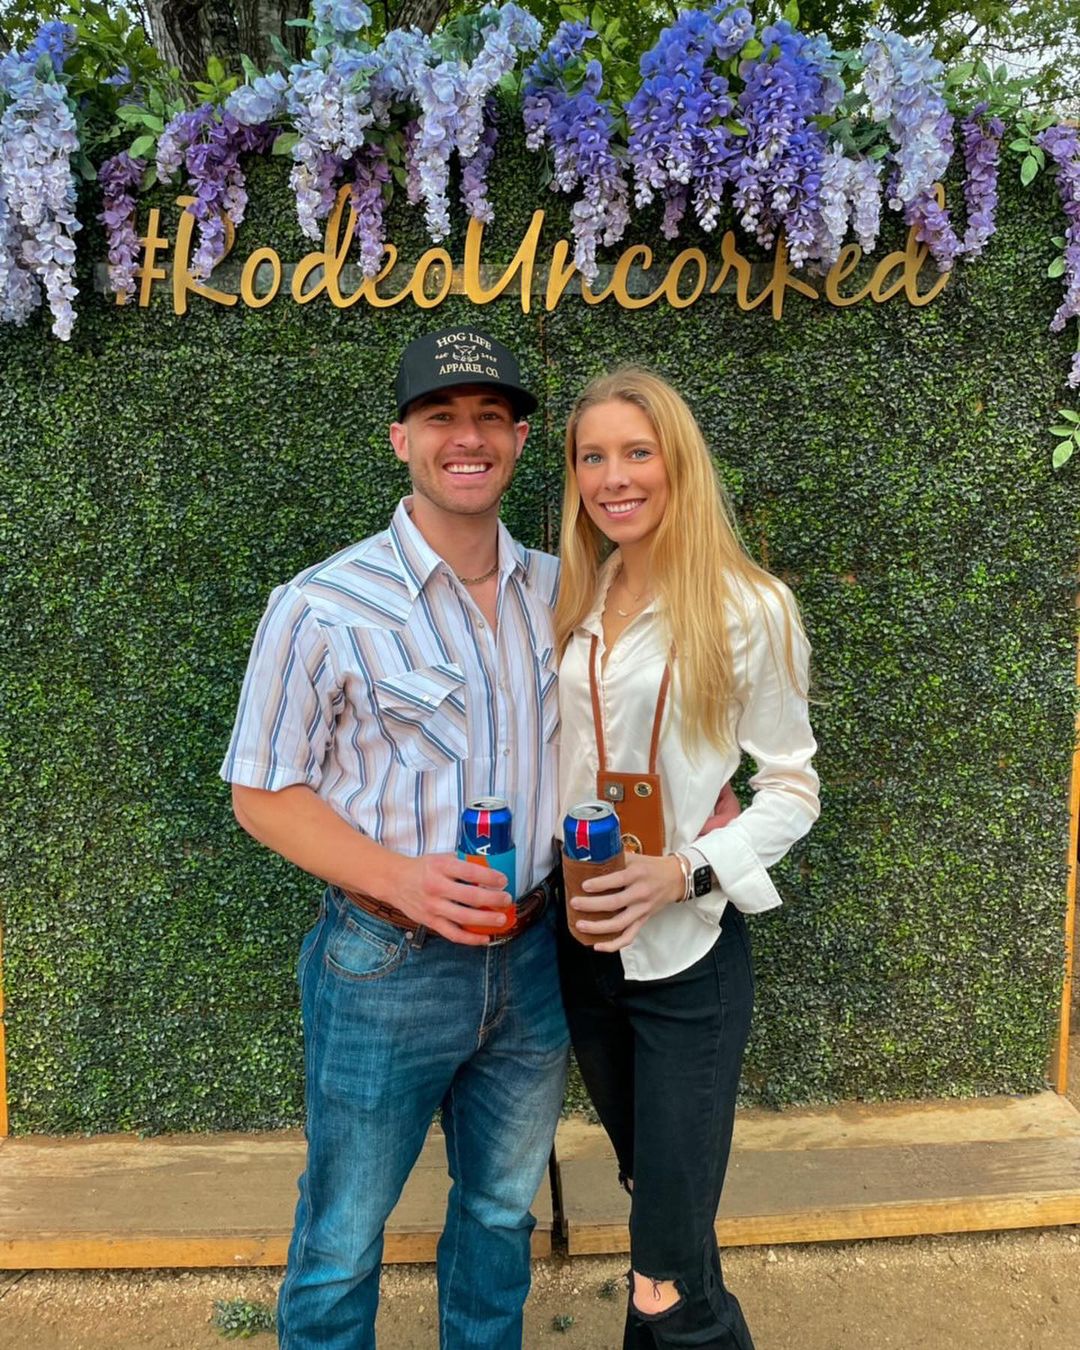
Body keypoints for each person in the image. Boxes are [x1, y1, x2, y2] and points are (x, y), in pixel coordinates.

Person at [220, 326, 569, 1350]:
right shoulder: (322, 605)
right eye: (441, 417)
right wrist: (404, 881)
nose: (469, 438)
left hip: (536, 958)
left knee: (500, 1214)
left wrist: (702, 800)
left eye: (491, 417)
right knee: (344, 1231)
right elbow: (261, 793)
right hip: (387, 962)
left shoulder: (565, 592)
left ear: (518, 441)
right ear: (400, 439)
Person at [553, 368, 820, 1350]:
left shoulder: (752, 608)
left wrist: (685, 866)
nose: (613, 477)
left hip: (686, 962)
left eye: (638, 452)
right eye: (592, 457)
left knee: (663, 1276)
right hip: (581, 947)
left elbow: (792, 787)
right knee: (659, 1211)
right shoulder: (570, 593)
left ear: (679, 463)